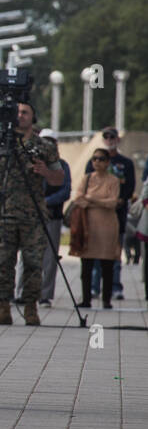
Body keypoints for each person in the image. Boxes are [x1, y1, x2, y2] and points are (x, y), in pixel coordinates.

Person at [0, 101, 65, 326]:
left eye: (26, 112)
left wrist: (45, 171)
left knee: (34, 263)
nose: (21, 116)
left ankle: (31, 307)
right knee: (2, 263)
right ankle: (3, 307)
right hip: (3, 212)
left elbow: (59, 179)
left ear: (33, 117)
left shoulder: (44, 147)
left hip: (33, 214)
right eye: (18, 112)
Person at [86, 127, 134, 300]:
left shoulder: (125, 163)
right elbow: (86, 185)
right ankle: (94, 287)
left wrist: (120, 200)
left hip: (116, 214)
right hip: (96, 215)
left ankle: (115, 286)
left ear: (117, 139)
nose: (109, 139)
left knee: (114, 252)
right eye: (105, 136)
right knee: (95, 253)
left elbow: (129, 187)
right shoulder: (93, 161)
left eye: (112, 136)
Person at [71, 147, 121, 309]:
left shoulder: (113, 180)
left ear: (107, 162)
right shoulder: (86, 179)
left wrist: (92, 199)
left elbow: (113, 202)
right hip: (88, 226)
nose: (97, 162)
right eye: (94, 159)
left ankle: (106, 299)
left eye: (100, 159)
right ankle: (86, 299)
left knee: (107, 264)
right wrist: (98, 202)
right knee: (86, 265)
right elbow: (78, 198)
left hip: (107, 227)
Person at [37, 130, 70, 306]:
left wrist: (44, 202)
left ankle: (45, 294)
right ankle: (21, 292)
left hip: (52, 215)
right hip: (32, 215)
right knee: (27, 255)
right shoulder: (32, 163)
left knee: (50, 256)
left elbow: (65, 191)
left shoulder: (62, 165)